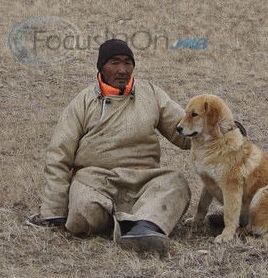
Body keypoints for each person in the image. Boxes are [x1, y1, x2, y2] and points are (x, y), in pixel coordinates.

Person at [29, 39, 191, 256]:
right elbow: (59, 154)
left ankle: (144, 229)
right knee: (82, 208)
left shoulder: (151, 94)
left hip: (144, 180)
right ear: (101, 67)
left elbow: (185, 130)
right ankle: (134, 221)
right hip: (96, 181)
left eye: (127, 63)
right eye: (114, 63)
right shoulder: (83, 101)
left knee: (176, 183)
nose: (122, 70)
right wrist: (53, 211)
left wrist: (223, 130)